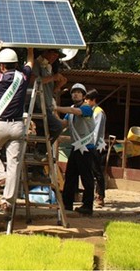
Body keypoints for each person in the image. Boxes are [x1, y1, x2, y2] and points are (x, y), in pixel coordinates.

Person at [0, 43, 34, 218]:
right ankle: (7, 200)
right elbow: (30, 63)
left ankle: (0, 175)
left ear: (1, 65)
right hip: (18, 126)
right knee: (14, 164)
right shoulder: (23, 77)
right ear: (16, 64)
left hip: (1, 126)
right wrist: (30, 49)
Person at [55, 83, 95, 215]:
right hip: (76, 147)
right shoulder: (71, 109)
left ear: (84, 96)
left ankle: (88, 206)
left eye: (78, 92)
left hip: (87, 148)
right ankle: (67, 204)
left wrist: (56, 107)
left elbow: (75, 112)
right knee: (70, 176)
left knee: (86, 177)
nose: (75, 94)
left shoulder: (87, 108)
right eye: (73, 92)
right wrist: (52, 114)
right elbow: (63, 124)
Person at [31, 48, 67, 158]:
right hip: (37, 105)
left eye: (57, 55)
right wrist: (53, 77)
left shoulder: (49, 67)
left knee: (43, 134)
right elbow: (34, 81)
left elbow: (50, 91)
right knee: (57, 127)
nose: (55, 57)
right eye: (54, 54)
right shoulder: (35, 63)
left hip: (47, 106)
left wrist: (60, 84)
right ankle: (41, 151)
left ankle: (38, 167)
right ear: (46, 51)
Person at [84, 89, 107, 207]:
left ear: (93, 100)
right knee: (89, 171)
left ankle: (100, 196)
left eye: (87, 99)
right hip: (88, 145)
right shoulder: (89, 111)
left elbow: (96, 132)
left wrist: (90, 145)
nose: (86, 101)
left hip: (96, 146)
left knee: (97, 171)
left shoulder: (98, 112)